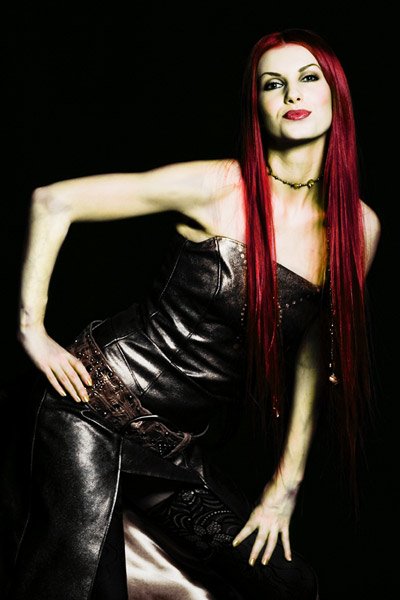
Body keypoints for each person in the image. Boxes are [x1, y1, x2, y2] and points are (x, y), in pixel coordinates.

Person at [4, 28, 380, 600]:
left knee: (281, 585)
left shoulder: (358, 228)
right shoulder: (218, 185)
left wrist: (286, 484)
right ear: (256, 104)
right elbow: (53, 200)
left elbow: (312, 352)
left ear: (337, 94)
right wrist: (32, 331)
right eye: (272, 84)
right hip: (85, 408)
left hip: (170, 448)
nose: (292, 94)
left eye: (309, 78)